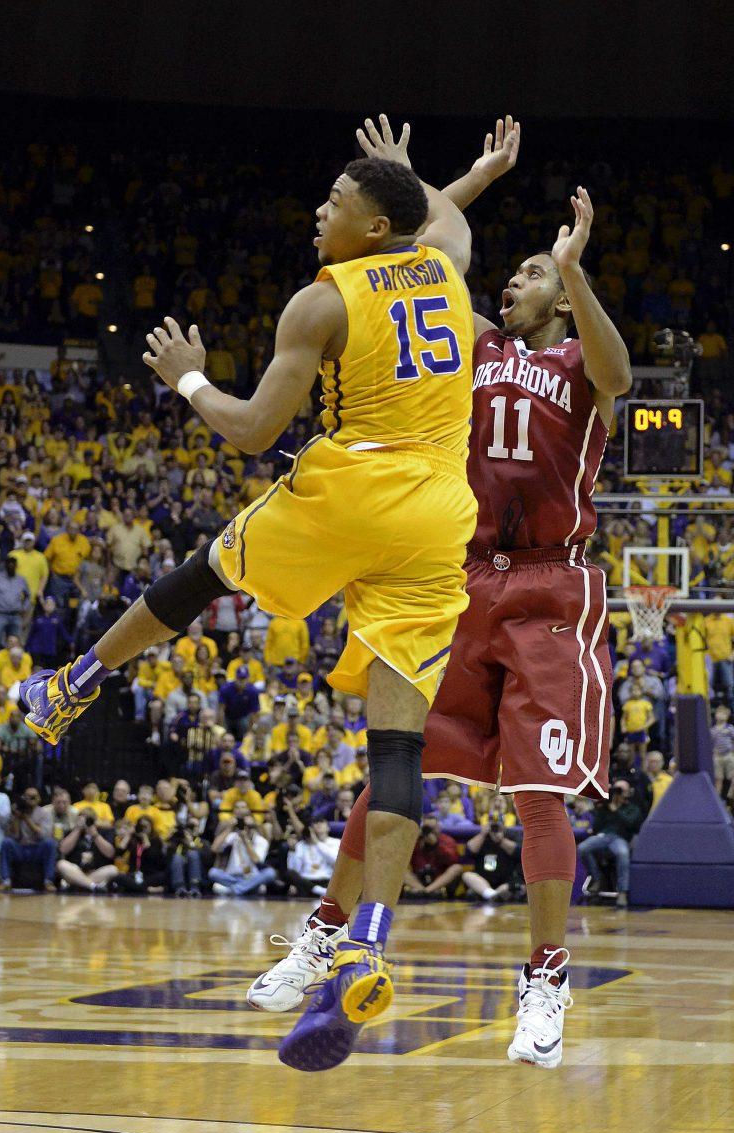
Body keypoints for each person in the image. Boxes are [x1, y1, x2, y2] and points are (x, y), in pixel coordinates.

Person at [19, 115, 481, 1070]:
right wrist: (407, 174)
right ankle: (369, 939)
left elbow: (251, 426)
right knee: (397, 746)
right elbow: (447, 224)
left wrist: (189, 379)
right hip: (440, 510)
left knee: (203, 573)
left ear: (371, 228)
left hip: (353, 485)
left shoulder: (320, 303)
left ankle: (73, 683)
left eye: (337, 204)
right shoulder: (445, 269)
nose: (320, 213)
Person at [249, 114, 633, 1073]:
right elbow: (406, 272)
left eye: (530, 276)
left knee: (538, 796)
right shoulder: (468, 343)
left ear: (562, 296)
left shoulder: (576, 362)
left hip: (551, 586)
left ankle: (544, 979)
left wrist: (574, 269)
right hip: (458, 576)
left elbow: (619, 371)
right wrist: (417, 184)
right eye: (512, 275)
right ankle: (330, 931)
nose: (512, 282)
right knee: (396, 760)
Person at [578, 780, 643, 908]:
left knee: (622, 853)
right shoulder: (605, 807)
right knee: (582, 848)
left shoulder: (632, 808)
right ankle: (597, 878)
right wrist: (601, 808)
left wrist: (616, 810)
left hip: (620, 838)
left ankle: (623, 891)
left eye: (621, 790)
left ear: (628, 793)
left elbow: (633, 826)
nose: (618, 793)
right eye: (616, 790)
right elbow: (596, 828)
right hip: (603, 836)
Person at [208, 800, 277, 896]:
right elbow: (214, 848)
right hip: (232, 877)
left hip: (252, 878)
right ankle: (243, 888)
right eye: (243, 825)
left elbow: (257, 860)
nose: (245, 828)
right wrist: (229, 828)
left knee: (270, 873)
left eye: (247, 826)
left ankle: (237, 889)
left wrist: (246, 840)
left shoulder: (260, 840)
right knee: (213, 872)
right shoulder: (234, 836)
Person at [403, 814, 464, 897]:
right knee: (399, 869)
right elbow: (403, 857)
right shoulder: (415, 841)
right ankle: (423, 890)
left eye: (432, 828)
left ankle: (428, 891)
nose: (429, 831)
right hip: (418, 878)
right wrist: (417, 838)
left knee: (457, 868)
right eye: (427, 828)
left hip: (439, 879)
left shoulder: (447, 840)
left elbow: (452, 860)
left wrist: (436, 845)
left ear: (438, 828)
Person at [462, 819, 521, 902]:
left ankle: (491, 895)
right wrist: (482, 834)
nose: (494, 829)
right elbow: (469, 852)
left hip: (505, 881)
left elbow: (518, 852)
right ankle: (491, 894)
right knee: (467, 875)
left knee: (511, 886)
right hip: (483, 881)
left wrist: (500, 840)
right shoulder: (481, 838)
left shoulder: (510, 836)